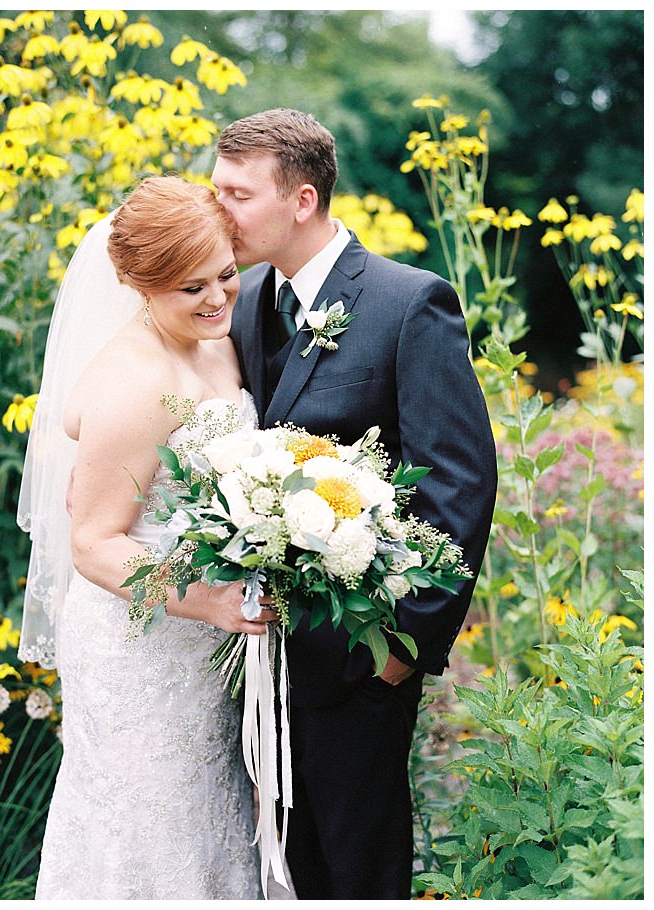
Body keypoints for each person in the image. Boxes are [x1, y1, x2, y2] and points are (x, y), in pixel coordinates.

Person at [211, 108, 498, 900]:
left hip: (359, 659)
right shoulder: (238, 305)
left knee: (357, 871)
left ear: (301, 200)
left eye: (237, 194)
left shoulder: (410, 303)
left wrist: (397, 651)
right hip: (253, 661)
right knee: (278, 869)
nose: (218, 211)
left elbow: (459, 482)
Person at [17, 176, 276, 900]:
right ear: (136, 283)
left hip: (204, 643)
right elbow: (94, 543)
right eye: (189, 288)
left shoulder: (214, 339)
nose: (218, 299)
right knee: (147, 824)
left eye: (225, 273)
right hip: (141, 644)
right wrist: (210, 603)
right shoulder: (133, 380)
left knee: (208, 817)